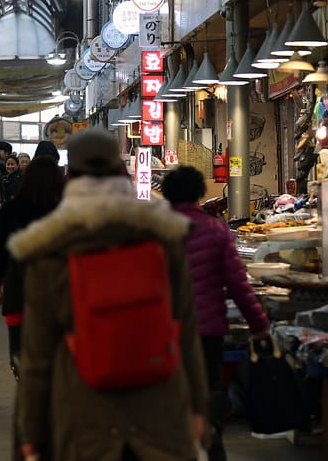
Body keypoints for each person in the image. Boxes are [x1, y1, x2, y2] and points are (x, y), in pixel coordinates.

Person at [10, 129, 208, 461]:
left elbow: (37, 356)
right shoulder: (162, 237)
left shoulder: (49, 250)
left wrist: (29, 432)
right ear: (122, 173)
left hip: (83, 415)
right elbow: (187, 330)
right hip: (160, 409)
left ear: (69, 177)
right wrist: (199, 406)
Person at [161, 165, 272, 461]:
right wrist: (260, 325)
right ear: (199, 193)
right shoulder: (215, 229)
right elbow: (238, 285)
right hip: (207, 330)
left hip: (164, 331)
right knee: (209, 388)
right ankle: (211, 442)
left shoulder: (152, 230)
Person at [0, 156, 64, 379]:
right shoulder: (67, 210)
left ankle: (24, 378)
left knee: (19, 350)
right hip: (58, 293)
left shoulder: (10, 209)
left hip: (19, 288)